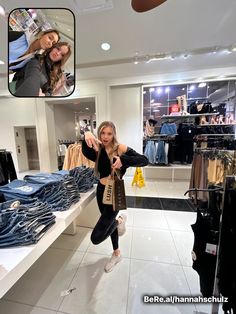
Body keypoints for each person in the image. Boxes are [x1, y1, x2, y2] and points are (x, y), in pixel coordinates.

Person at [82, 121, 148, 272]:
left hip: (115, 191)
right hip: (101, 191)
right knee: (106, 226)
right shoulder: (97, 149)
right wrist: (86, 133)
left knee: (96, 237)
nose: (105, 137)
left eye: (109, 133)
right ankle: (117, 252)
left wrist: (123, 160)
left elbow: (144, 160)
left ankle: (118, 222)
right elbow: (85, 151)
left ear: (114, 134)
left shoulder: (121, 148)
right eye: (102, 133)